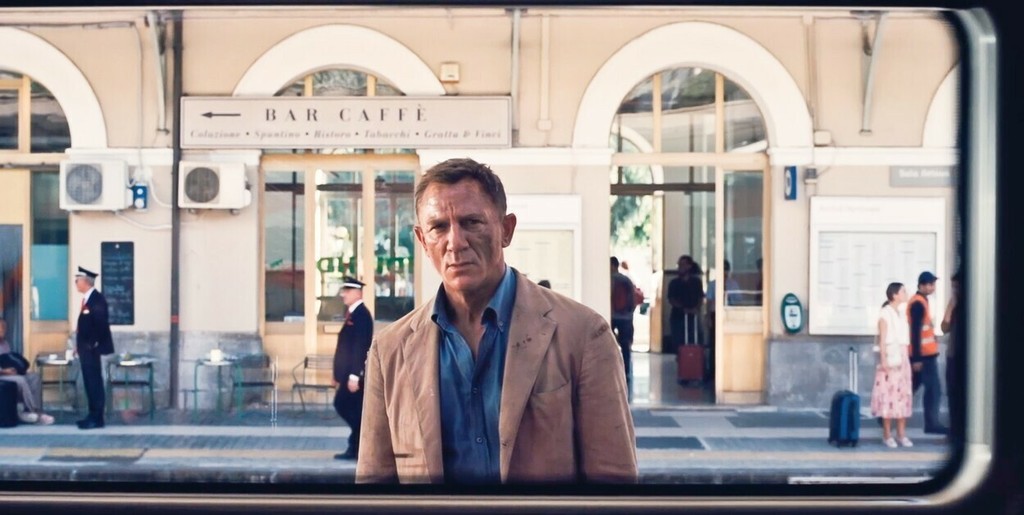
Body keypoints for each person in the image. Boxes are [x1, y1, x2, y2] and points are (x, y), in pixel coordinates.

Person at [356, 158, 637, 484]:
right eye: (439, 227)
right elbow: (373, 491)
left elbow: (614, 487)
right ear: (422, 241)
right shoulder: (390, 351)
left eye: (471, 222)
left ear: (506, 230)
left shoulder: (584, 335)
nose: (455, 242)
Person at [333, 276, 374, 460]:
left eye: (347, 291)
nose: (344, 294)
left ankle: (359, 445)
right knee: (352, 408)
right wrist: (337, 375)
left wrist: (354, 376)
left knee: (343, 405)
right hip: (348, 374)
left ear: (358, 293)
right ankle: (356, 447)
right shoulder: (353, 314)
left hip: (354, 375)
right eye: (344, 291)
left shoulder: (362, 316)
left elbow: (360, 347)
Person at [870, 283, 914, 448]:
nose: (906, 293)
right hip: (890, 355)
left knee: (903, 394)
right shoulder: (885, 313)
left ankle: (901, 434)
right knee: (888, 395)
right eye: (903, 291)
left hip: (902, 356)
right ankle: (887, 434)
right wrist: (883, 360)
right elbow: (882, 339)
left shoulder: (901, 313)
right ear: (894, 295)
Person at [74, 266, 115, 430]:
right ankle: (92, 415)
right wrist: (79, 345)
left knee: (94, 382)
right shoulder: (88, 299)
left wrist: (91, 344)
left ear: (86, 282)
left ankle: (97, 418)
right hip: (85, 348)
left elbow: (100, 325)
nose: (76, 283)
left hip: (91, 349)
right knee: (89, 382)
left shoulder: (97, 300)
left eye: (77, 280)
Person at [908, 271, 948, 435]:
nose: (933, 287)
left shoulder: (922, 301)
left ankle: (885, 416)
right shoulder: (918, 304)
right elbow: (915, 332)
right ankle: (932, 424)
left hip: (925, 355)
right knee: (933, 390)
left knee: (910, 387)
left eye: (933, 284)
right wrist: (917, 359)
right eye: (930, 284)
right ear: (922, 285)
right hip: (923, 357)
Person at [0, 319, 54, 425]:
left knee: (34, 377)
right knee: (20, 380)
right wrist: (4, 371)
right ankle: (33, 411)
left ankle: (36, 409)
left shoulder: (5, 344)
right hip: (2, 374)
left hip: (10, 373)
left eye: (4, 328)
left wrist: (19, 369)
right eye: (1, 328)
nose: (3, 331)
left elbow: (9, 360)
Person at [610, 256, 637, 390]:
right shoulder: (626, 280)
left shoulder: (607, 280)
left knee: (607, 344)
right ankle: (626, 372)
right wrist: (630, 312)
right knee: (626, 346)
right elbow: (632, 297)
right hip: (625, 317)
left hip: (611, 316)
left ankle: (612, 372)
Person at [667, 255, 704, 353]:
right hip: (677, 317)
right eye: (679, 265)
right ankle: (681, 359)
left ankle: (694, 358)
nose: (680, 267)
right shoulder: (674, 283)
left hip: (693, 316)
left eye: (683, 264)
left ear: (689, 266)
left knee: (694, 338)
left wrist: (696, 309)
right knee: (678, 341)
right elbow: (671, 299)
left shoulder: (696, 282)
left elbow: (700, 297)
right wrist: (683, 309)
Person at [941, 270, 961, 443]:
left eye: (957, 286)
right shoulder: (953, 304)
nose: (954, 290)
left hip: (965, 357)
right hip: (952, 354)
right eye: (953, 286)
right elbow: (944, 328)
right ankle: (954, 430)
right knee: (952, 393)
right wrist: (950, 307)